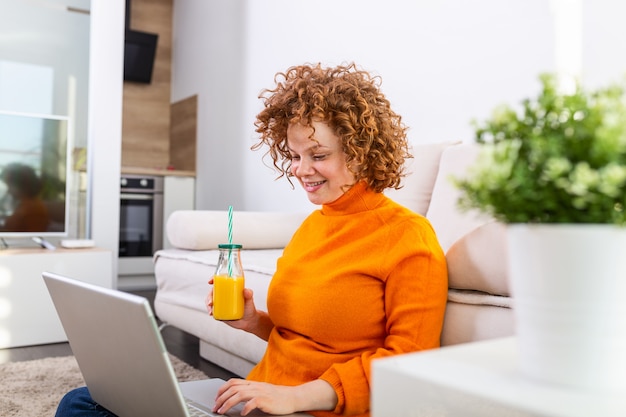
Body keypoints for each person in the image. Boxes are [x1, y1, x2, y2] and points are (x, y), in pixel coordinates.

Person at [54, 63, 448, 417]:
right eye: (294, 155)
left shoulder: (408, 237)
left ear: (360, 153)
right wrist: (253, 322)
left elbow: (408, 362)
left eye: (318, 154)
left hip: (314, 407)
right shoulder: (313, 226)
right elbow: (298, 335)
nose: (301, 170)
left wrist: (296, 398)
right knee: (84, 401)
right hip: (258, 398)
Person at [0, 162, 50, 232]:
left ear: (22, 185)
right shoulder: (26, 204)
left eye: (10, 186)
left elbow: (29, 238)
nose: (8, 191)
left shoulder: (34, 209)